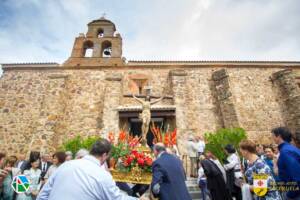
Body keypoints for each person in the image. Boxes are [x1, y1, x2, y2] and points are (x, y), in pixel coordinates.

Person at [37, 139, 143, 200]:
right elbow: (117, 198)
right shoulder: (103, 176)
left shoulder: (65, 166)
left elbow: (42, 195)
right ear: (104, 155)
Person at [272, 127, 300, 199]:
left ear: (279, 136)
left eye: (273, 135)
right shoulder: (287, 149)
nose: (272, 138)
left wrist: (289, 195)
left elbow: (297, 178)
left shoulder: (286, 151)